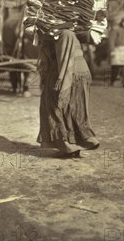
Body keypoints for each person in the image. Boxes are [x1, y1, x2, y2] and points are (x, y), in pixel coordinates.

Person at [37, 29, 100, 157]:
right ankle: (81, 141)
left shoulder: (63, 35)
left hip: (65, 73)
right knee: (75, 110)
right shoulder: (73, 35)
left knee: (54, 108)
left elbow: (64, 59)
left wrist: (61, 80)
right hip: (82, 74)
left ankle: (66, 144)